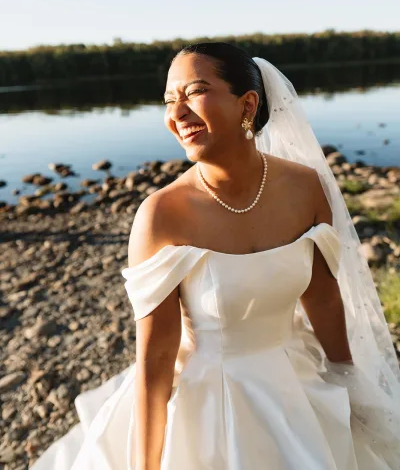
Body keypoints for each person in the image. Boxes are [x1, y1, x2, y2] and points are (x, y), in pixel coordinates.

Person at [32, 42, 400, 470]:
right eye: (170, 100)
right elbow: (156, 359)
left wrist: (349, 385)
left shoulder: (306, 188)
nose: (177, 113)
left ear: (248, 103)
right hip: (205, 404)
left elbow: (321, 296)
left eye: (194, 91)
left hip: (295, 382)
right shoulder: (161, 216)